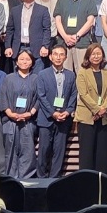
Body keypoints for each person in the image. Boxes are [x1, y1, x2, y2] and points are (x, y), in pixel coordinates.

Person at [35, 45, 78, 178]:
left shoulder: (71, 75)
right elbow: (41, 96)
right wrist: (52, 113)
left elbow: (73, 94)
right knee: (44, 150)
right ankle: (41, 179)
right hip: (46, 118)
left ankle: (54, 179)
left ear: (65, 57)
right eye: (55, 54)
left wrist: (68, 111)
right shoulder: (42, 74)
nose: (58, 57)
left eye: (61, 54)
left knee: (59, 151)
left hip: (64, 118)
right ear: (50, 57)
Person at [75, 43, 107, 172]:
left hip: (104, 118)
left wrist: (103, 109)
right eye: (93, 54)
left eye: (98, 53)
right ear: (88, 56)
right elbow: (83, 94)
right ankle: (87, 180)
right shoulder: (82, 73)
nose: (96, 56)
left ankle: (101, 180)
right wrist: (97, 109)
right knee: (86, 153)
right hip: (87, 118)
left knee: (102, 153)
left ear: (103, 56)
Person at [0, 50, 39, 178]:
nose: (24, 62)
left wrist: (31, 113)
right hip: (10, 120)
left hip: (28, 120)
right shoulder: (9, 78)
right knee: (10, 149)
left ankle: (26, 177)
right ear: (16, 62)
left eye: (27, 59)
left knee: (27, 150)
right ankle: (11, 177)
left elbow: (40, 98)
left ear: (32, 62)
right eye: (21, 59)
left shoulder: (36, 78)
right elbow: (3, 96)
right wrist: (9, 113)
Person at [55, 0, 99, 69]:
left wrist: (77, 36)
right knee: (65, 73)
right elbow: (57, 20)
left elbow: (90, 21)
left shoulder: (89, 0)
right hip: (64, 43)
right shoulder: (61, 0)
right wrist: (65, 37)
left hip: (82, 43)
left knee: (82, 73)